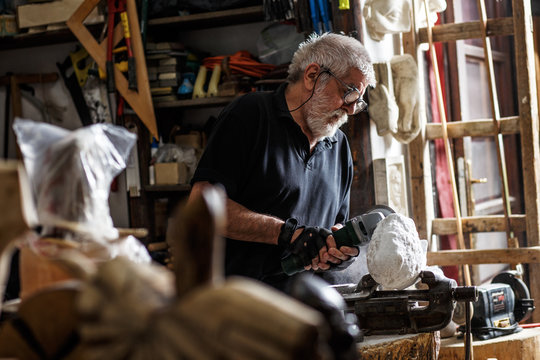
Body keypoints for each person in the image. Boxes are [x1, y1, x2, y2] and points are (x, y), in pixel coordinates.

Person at [188, 32, 376, 292]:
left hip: (307, 307)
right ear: (312, 76)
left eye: (359, 100)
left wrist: (338, 252)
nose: (352, 109)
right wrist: (289, 234)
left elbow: (332, 230)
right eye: (349, 92)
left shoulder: (339, 146)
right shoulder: (251, 114)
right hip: (239, 304)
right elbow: (201, 206)